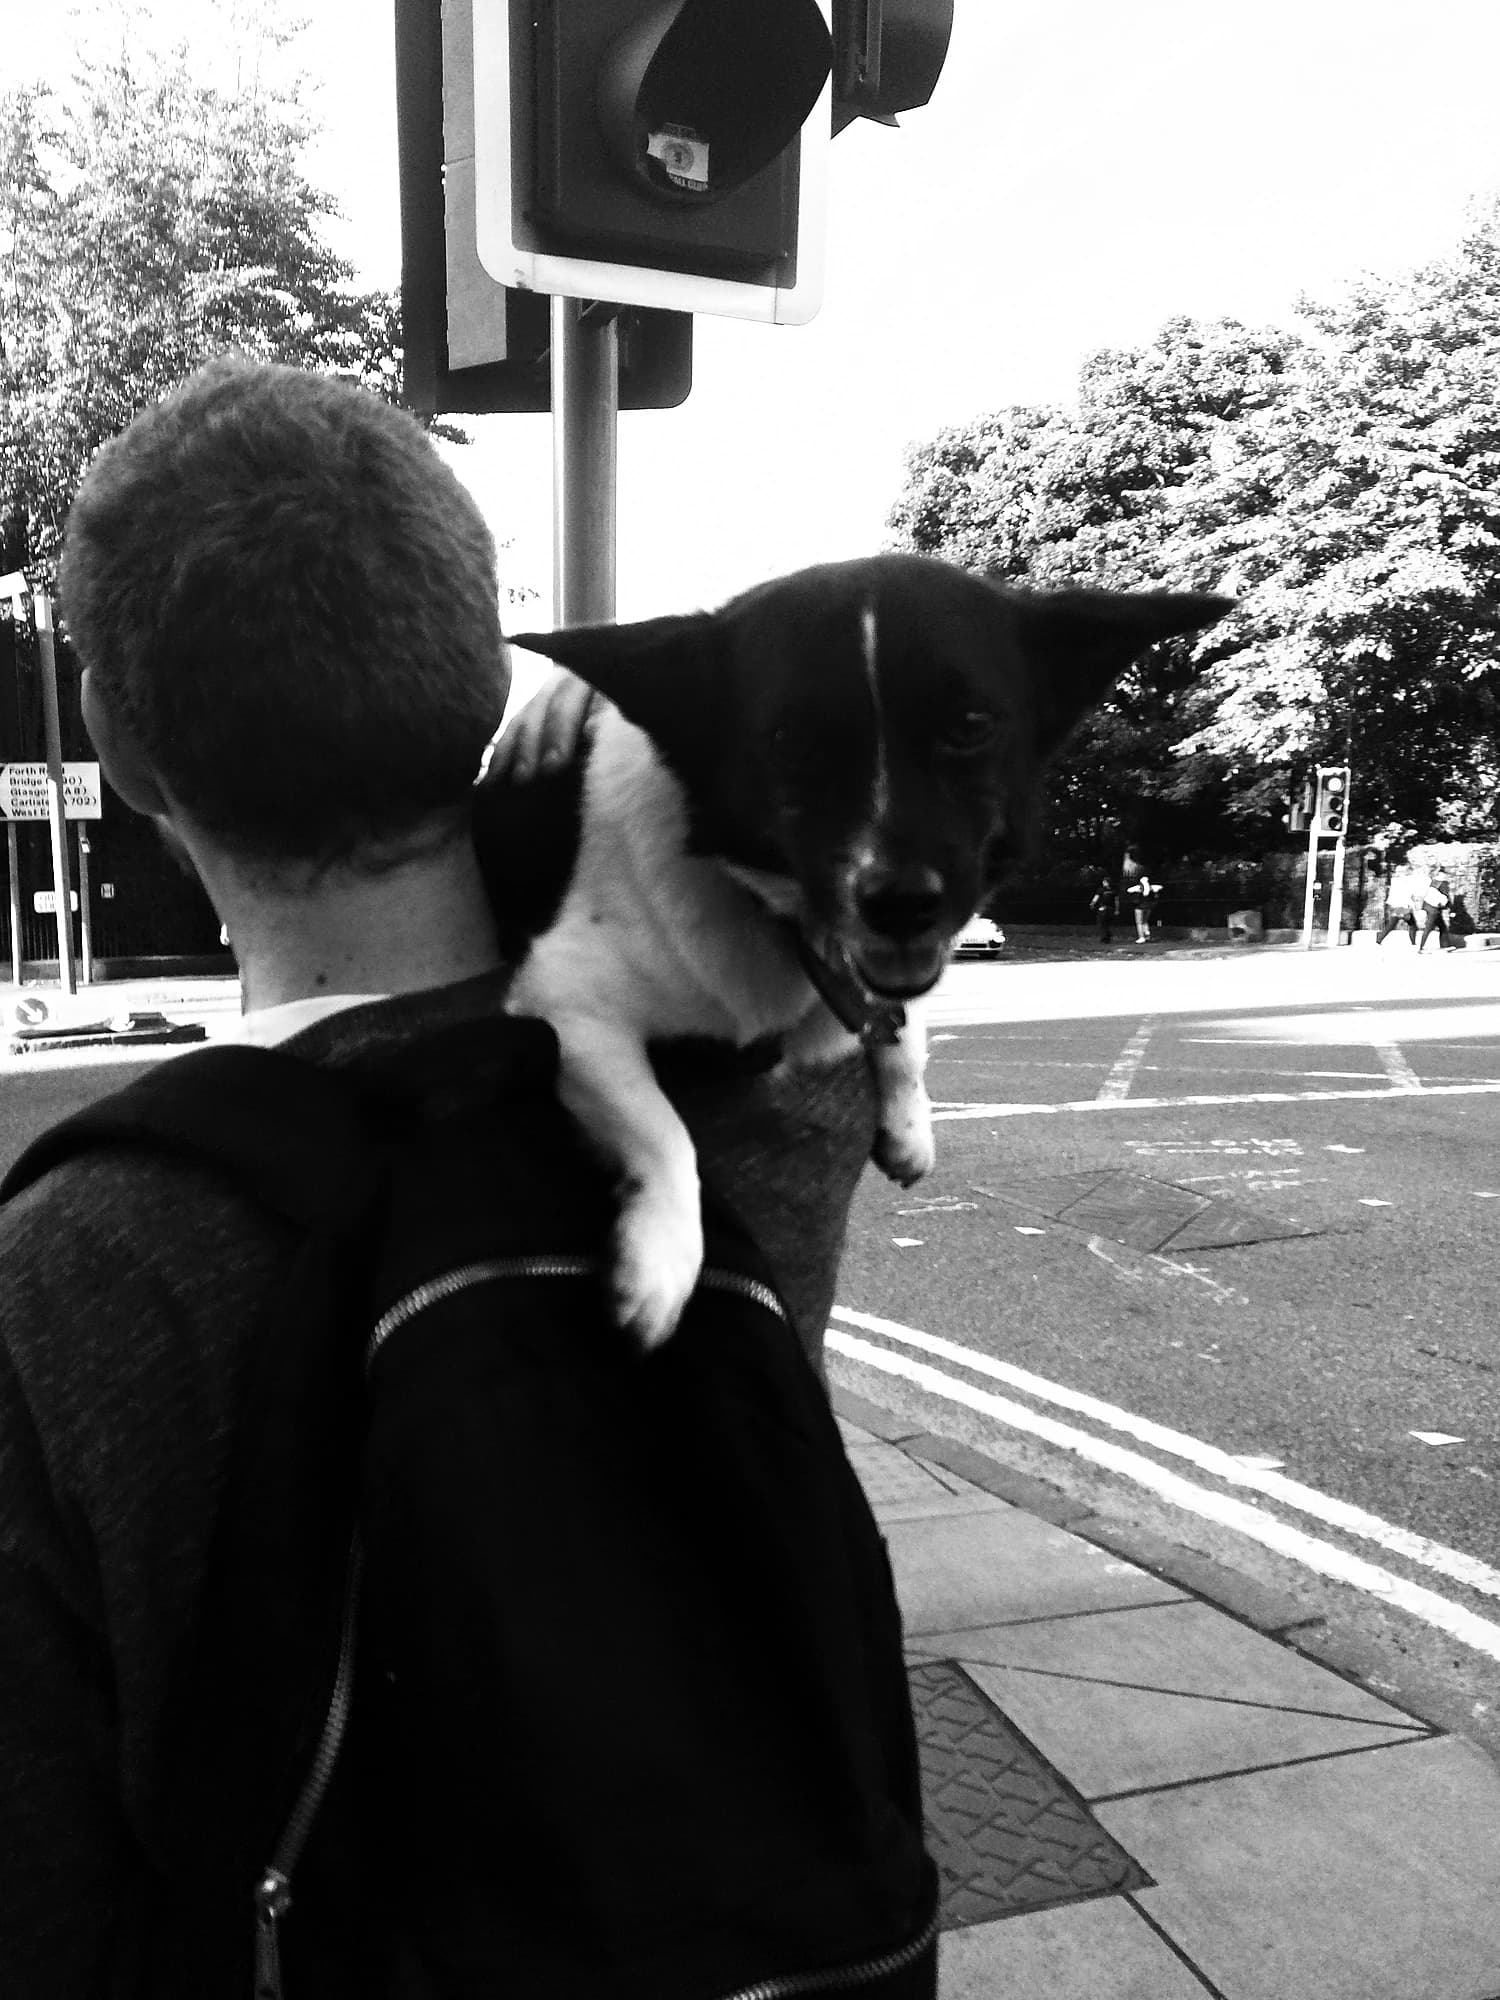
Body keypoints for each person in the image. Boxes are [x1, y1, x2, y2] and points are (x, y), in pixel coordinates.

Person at [0, 358, 875, 1990]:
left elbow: (45, 1911)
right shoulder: (761, 1109)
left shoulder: (67, 1272)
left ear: (117, 743)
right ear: (486, 678)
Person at [1375, 858, 1419, 946]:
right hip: (1403, 906)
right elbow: (1407, 894)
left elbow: (1392, 894)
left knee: (1391, 925)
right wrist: (1411, 904)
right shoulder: (1405, 881)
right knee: (1412, 925)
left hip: (1396, 906)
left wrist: (1391, 904)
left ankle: (1379, 939)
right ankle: (1413, 942)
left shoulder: (1395, 880)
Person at [1120, 846, 1155, 941]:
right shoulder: (1149, 886)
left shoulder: (1139, 886)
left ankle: (1141, 937)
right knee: (1145, 921)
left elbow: (1129, 890)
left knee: (1139, 922)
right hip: (1148, 905)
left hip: (1139, 906)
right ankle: (1147, 933)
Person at [1416, 869, 1453, 952]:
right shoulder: (1444, 884)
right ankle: (1421, 948)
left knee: (1442, 927)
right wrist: (1449, 907)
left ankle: (1445, 945)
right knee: (1429, 928)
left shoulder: (1434, 882)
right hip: (1434, 909)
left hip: (1428, 906)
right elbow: (1445, 898)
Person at [1088, 870, 1115, 943]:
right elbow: (1116, 900)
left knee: (1101, 924)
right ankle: (1107, 937)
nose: (1103, 883)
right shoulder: (1113, 890)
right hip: (1111, 908)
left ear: (1107, 882)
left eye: (1104, 882)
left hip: (1102, 908)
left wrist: (1092, 904)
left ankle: (1104, 938)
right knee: (1107, 924)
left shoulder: (1101, 890)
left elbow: (1096, 898)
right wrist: (1117, 909)